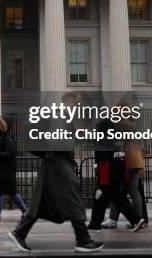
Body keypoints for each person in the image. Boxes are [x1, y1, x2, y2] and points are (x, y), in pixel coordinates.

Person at [7, 92, 103, 253]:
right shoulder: (61, 116)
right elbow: (58, 141)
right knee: (74, 200)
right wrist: (76, 137)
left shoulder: (61, 116)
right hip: (58, 163)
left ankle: (19, 233)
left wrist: (78, 136)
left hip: (52, 163)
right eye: (77, 103)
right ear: (67, 101)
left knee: (40, 204)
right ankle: (83, 240)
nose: (78, 106)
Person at [88, 117, 145, 232]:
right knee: (118, 199)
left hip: (107, 175)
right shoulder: (118, 139)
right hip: (118, 174)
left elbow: (103, 161)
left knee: (99, 195)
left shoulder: (103, 140)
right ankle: (136, 219)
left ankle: (95, 224)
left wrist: (100, 176)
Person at [103, 115, 148, 229]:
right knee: (134, 190)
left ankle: (113, 220)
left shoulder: (123, 125)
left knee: (116, 189)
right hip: (137, 159)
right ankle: (138, 219)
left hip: (128, 159)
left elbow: (116, 140)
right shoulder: (135, 127)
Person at [0, 116, 26, 225]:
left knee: (9, 192)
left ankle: (24, 212)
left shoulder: (7, 137)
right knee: (1, 192)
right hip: (0, 169)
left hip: (6, 170)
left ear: (3, 125)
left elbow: (11, 153)